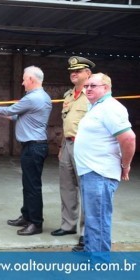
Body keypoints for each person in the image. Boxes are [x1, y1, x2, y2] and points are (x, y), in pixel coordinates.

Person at [74, 73, 135, 261]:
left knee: (98, 217)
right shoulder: (96, 107)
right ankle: (92, 251)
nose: (88, 89)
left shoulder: (110, 108)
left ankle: (100, 259)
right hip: (90, 171)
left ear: (106, 88)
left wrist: (126, 164)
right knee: (93, 217)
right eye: (86, 86)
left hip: (100, 172)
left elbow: (128, 138)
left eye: (94, 85)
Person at [0, 65, 52, 236]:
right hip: (32, 146)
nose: (22, 83)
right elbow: (15, 115)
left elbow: (11, 110)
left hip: (34, 147)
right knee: (27, 185)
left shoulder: (33, 98)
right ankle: (26, 216)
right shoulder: (39, 97)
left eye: (23, 79)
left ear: (31, 80)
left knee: (32, 186)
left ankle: (36, 223)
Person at [51, 56, 94, 252]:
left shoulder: (93, 96)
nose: (74, 73)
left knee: (86, 189)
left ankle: (86, 232)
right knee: (67, 187)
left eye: (78, 70)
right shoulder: (69, 96)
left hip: (85, 147)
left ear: (88, 74)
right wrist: (61, 147)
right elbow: (66, 124)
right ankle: (68, 225)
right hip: (68, 145)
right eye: (71, 71)